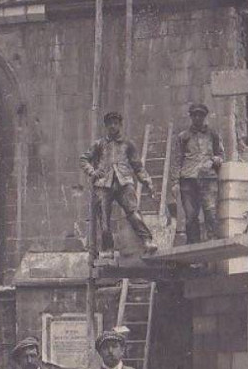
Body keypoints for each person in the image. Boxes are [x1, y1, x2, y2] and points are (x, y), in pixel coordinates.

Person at [80, 110, 157, 257]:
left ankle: (147, 240)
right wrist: (92, 172)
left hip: (124, 182)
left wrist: (147, 181)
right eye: (110, 124)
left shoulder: (128, 144)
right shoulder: (99, 144)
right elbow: (84, 159)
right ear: (106, 126)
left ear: (120, 125)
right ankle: (108, 249)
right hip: (103, 184)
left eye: (115, 123)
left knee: (133, 212)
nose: (112, 126)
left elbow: (137, 166)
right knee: (104, 221)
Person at [171, 102, 225, 244]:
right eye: (194, 115)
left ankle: (212, 243)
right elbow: (177, 160)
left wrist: (214, 160)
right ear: (191, 117)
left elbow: (220, 154)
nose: (197, 118)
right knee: (190, 217)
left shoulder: (213, 134)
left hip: (208, 178)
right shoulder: (183, 137)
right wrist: (175, 182)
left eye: (200, 115)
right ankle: (194, 246)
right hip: (187, 180)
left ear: (204, 116)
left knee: (210, 212)